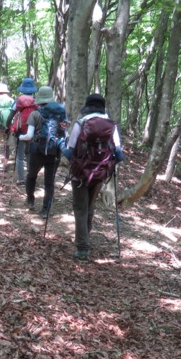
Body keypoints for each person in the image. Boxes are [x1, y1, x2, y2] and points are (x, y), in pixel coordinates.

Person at [59, 93, 124, 261]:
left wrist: (60, 144)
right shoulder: (111, 126)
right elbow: (119, 154)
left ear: (87, 108)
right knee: (89, 206)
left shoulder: (81, 124)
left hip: (79, 173)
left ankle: (82, 248)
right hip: (100, 173)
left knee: (80, 208)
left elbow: (70, 151)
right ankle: (84, 239)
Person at [18, 85, 67, 218]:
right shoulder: (60, 113)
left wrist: (19, 137)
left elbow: (28, 136)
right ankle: (46, 209)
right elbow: (64, 134)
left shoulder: (35, 113)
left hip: (37, 151)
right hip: (54, 152)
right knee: (49, 182)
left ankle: (30, 200)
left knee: (31, 176)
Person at [5, 78, 38, 185]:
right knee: (29, 153)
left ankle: (20, 178)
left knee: (19, 155)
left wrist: (8, 126)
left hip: (19, 130)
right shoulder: (35, 101)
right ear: (32, 89)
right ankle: (30, 176)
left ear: (22, 89)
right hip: (31, 130)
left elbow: (10, 116)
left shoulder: (18, 101)